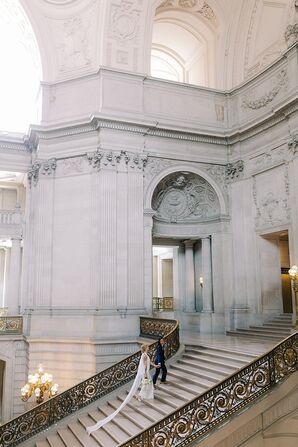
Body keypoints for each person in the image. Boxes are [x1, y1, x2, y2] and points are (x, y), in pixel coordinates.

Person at [86, 344, 153, 435]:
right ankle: (141, 395)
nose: (149, 347)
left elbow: (145, 364)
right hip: (142, 373)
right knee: (145, 384)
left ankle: (140, 395)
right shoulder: (145, 355)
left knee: (143, 385)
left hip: (140, 373)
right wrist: (145, 374)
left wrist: (153, 366)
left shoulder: (143, 355)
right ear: (146, 348)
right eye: (148, 347)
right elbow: (145, 365)